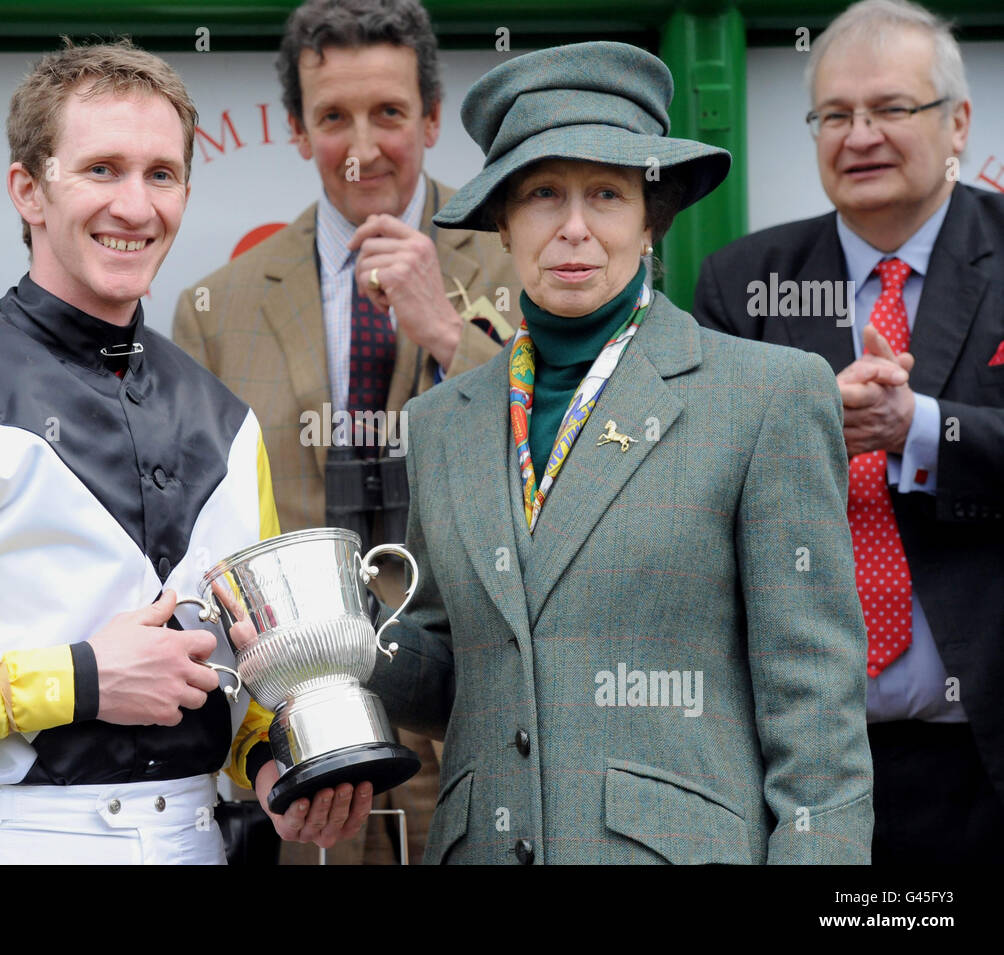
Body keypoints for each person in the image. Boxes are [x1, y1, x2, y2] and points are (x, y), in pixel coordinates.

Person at [0, 39, 370, 864]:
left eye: (161, 174)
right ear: (29, 190)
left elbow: (240, 683)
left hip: (201, 839)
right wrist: (81, 679)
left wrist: (273, 769)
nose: (135, 204)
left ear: (187, 192)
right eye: (101, 169)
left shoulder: (229, 421)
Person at [365, 40, 874, 864]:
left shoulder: (766, 395)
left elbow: (814, 705)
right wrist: (344, 635)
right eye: (542, 194)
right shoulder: (440, 422)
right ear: (502, 218)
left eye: (605, 192)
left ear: (651, 213)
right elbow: (453, 682)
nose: (573, 226)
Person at [173, 0, 519, 865]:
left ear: (434, 119)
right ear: (297, 130)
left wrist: (446, 331)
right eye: (333, 117)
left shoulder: (523, 267)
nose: (362, 146)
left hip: (474, 726)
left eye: (390, 114)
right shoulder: (219, 308)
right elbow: (193, 541)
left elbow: (569, 458)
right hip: (302, 754)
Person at [693, 0, 1004, 863]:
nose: (859, 134)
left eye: (891, 109)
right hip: (808, 758)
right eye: (835, 115)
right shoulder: (745, 280)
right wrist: (800, 430)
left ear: (958, 125)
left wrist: (923, 428)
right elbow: (687, 481)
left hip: (983, 743)